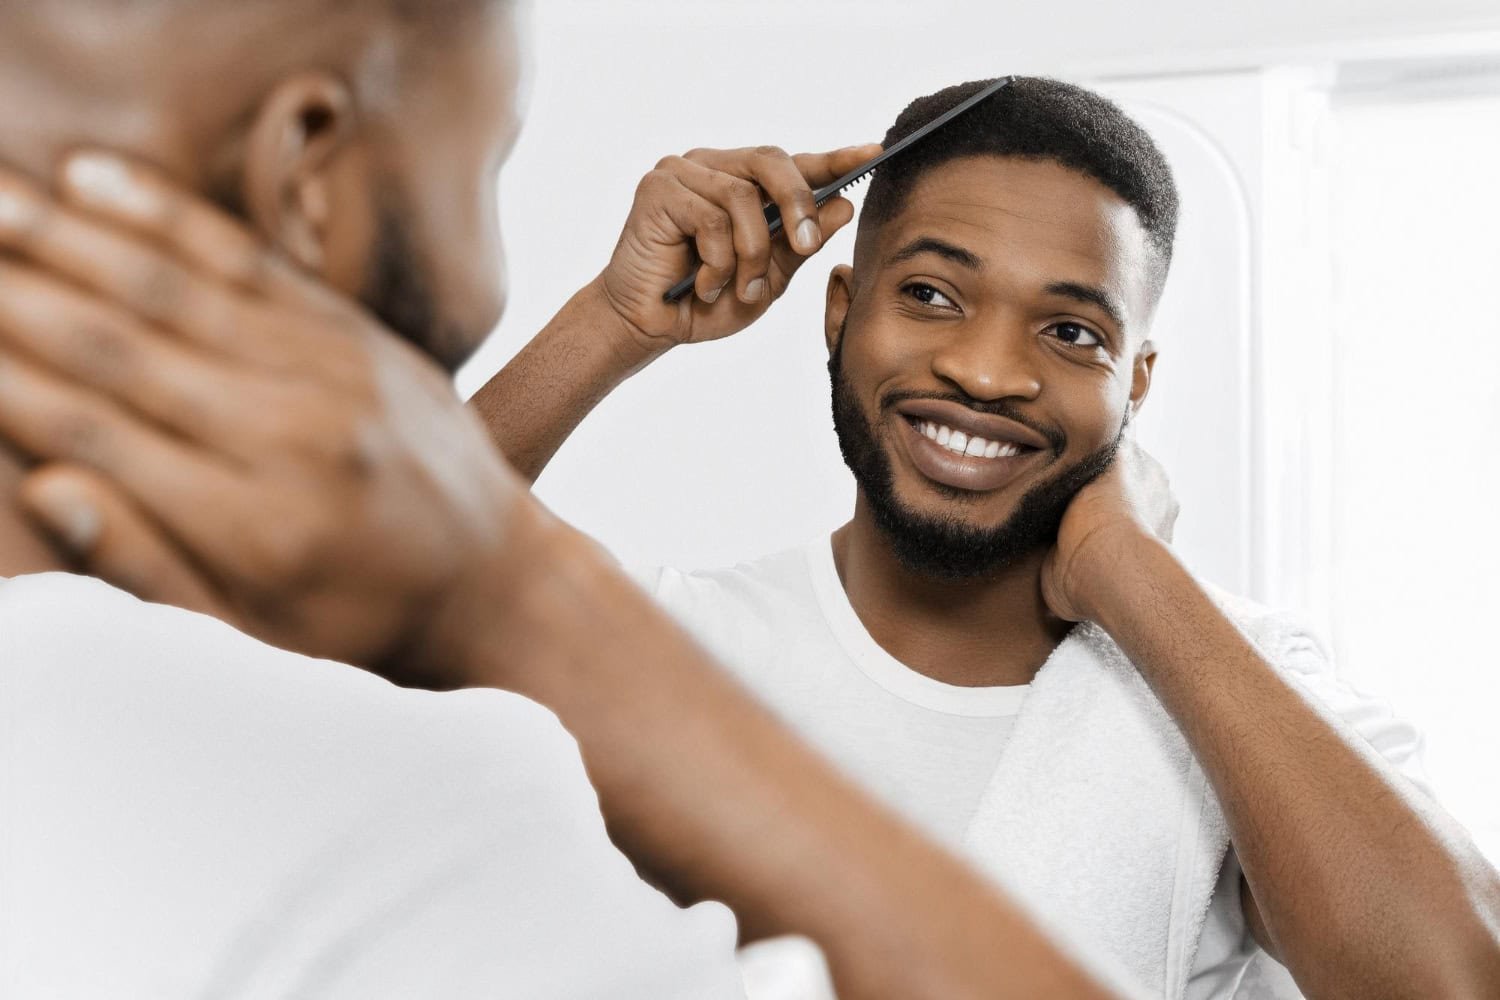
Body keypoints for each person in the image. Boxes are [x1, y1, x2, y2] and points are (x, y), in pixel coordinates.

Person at [13, 65, 1497, 997]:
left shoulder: (1245, 690)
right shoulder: (672, 654)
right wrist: (610, 324)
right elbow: (323, 630)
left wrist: (1131, 571)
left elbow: (1450, 984)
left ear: (1138, 382)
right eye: (929, 291)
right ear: (837, 311)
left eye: (1070, 329)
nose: (986, 368)